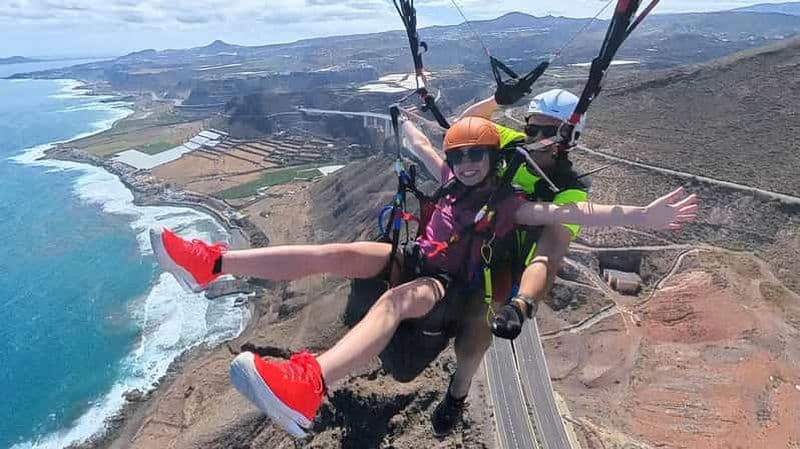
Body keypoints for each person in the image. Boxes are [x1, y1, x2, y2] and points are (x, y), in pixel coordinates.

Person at [149, 117, 697, 439]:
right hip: (414, 257)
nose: (465, 166)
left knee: (391, 304)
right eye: (460, 157)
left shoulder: (511, 206)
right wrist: (407, 112)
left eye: (476, 157)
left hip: (443, 287)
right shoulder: (451, 179)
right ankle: (210, 263)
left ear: (493, 158)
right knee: (333, 251)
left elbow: (571, 216)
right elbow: (419, 144)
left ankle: (310, 384)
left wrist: (639, 218)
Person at [457, 88, 592, 342]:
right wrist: (496, 100)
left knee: (476, 331)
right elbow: (467, 124)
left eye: (549, 132)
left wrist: (522, 303)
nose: (537, 137)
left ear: (570, 136)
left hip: (511, 264)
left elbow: (549, 252)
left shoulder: (571, 189)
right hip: (473, 242)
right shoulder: (513, 143)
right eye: (532, 129)